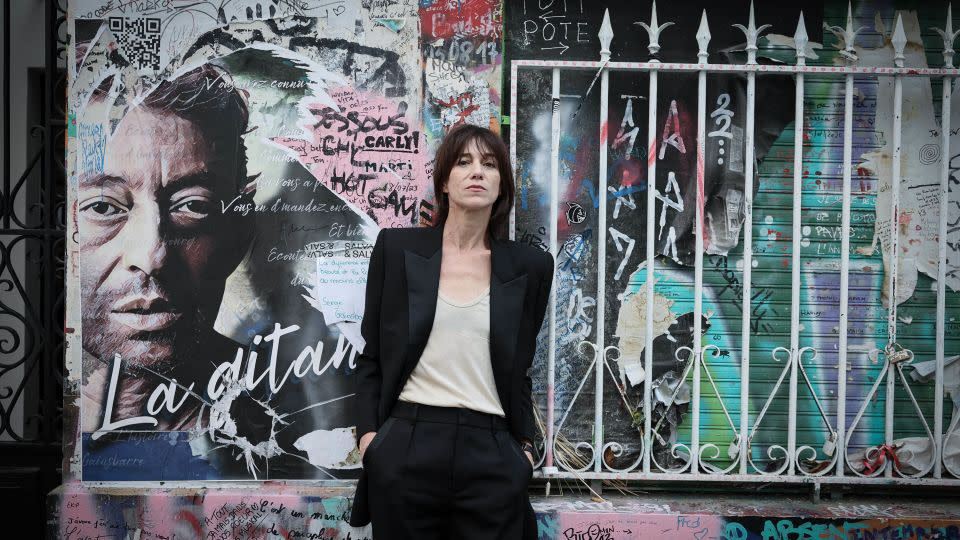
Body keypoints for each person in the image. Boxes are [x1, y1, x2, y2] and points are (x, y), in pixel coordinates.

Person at [348, 124, 555, 539]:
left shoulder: (530, 267)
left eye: (489, 164)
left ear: (502, 186)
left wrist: (525, 451)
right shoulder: (396, 250)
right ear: (444, 182)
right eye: (464, 163)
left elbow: (520, 369)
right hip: (408, 445)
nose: (477, 172)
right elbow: (372, 357)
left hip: (492, 451)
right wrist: (372, 442)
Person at [78, 64, 256, 433]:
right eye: (102, 207)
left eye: (193, 205)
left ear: (239, 234)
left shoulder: (295, 413)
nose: (151, 256)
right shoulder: (38, 408)